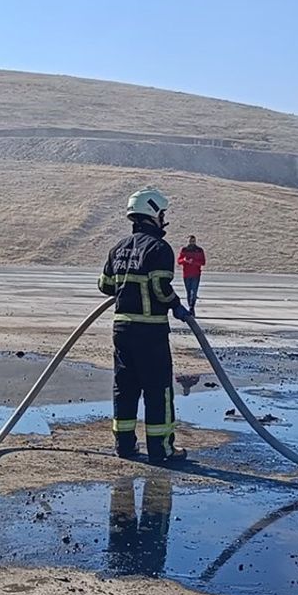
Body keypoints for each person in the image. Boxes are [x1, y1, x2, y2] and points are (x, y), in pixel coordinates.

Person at [98, 187, 191, 464]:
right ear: (153, 214)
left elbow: (104, 286)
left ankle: (124, 446)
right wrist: (175, 304)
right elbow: (160, 287)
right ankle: (161, 449)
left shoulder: (118, 248)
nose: (164, 219)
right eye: (162, 214)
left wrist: (127, 288)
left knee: (124, 388)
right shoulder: (159, 248)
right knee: (157, 389)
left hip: (122, 331)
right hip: (150, 332)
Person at [176, 235, 206, 314]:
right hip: (186, 274)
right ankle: (190, 306)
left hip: (196, 274)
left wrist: (194, 262)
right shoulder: (184, 250)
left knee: (194, 292)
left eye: (193, 241)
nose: (192, 243)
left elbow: (203, 262)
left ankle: (192, 307)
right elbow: (179, 261)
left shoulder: (199, 250)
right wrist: (185, 260)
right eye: (190, 241)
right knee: (188, 292)